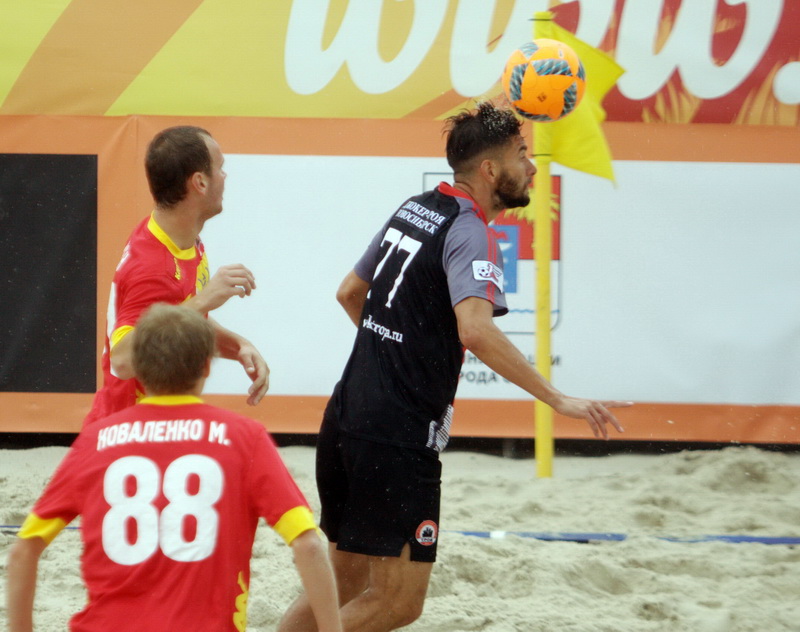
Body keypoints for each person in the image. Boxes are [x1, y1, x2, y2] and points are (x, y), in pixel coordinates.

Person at [278, 102, 631, 632]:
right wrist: (558, 399)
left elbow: (349, 292)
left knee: (340, 585)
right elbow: (476, 330)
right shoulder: (471, 231)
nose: (532, 168)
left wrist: (393, 355)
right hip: (397, 436)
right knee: (398, 603)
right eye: (521, 155)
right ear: (489, 170)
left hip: (346, 414)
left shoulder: (414, 207)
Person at [6, 303, 342, 632]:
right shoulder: (244, 438)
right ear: (206, 366)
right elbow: (309, 546)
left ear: (139, 367)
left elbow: (24, 549)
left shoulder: (96, 439)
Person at [82, 125, 268, 427]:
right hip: (127, 431)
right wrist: (204, 300)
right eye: (220, 168)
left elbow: (177, 319)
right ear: (200, 182)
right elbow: (122, 361)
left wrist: (238, 346)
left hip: (156, 423)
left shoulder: (179, 238)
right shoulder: (151, 267)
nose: (225, 176)